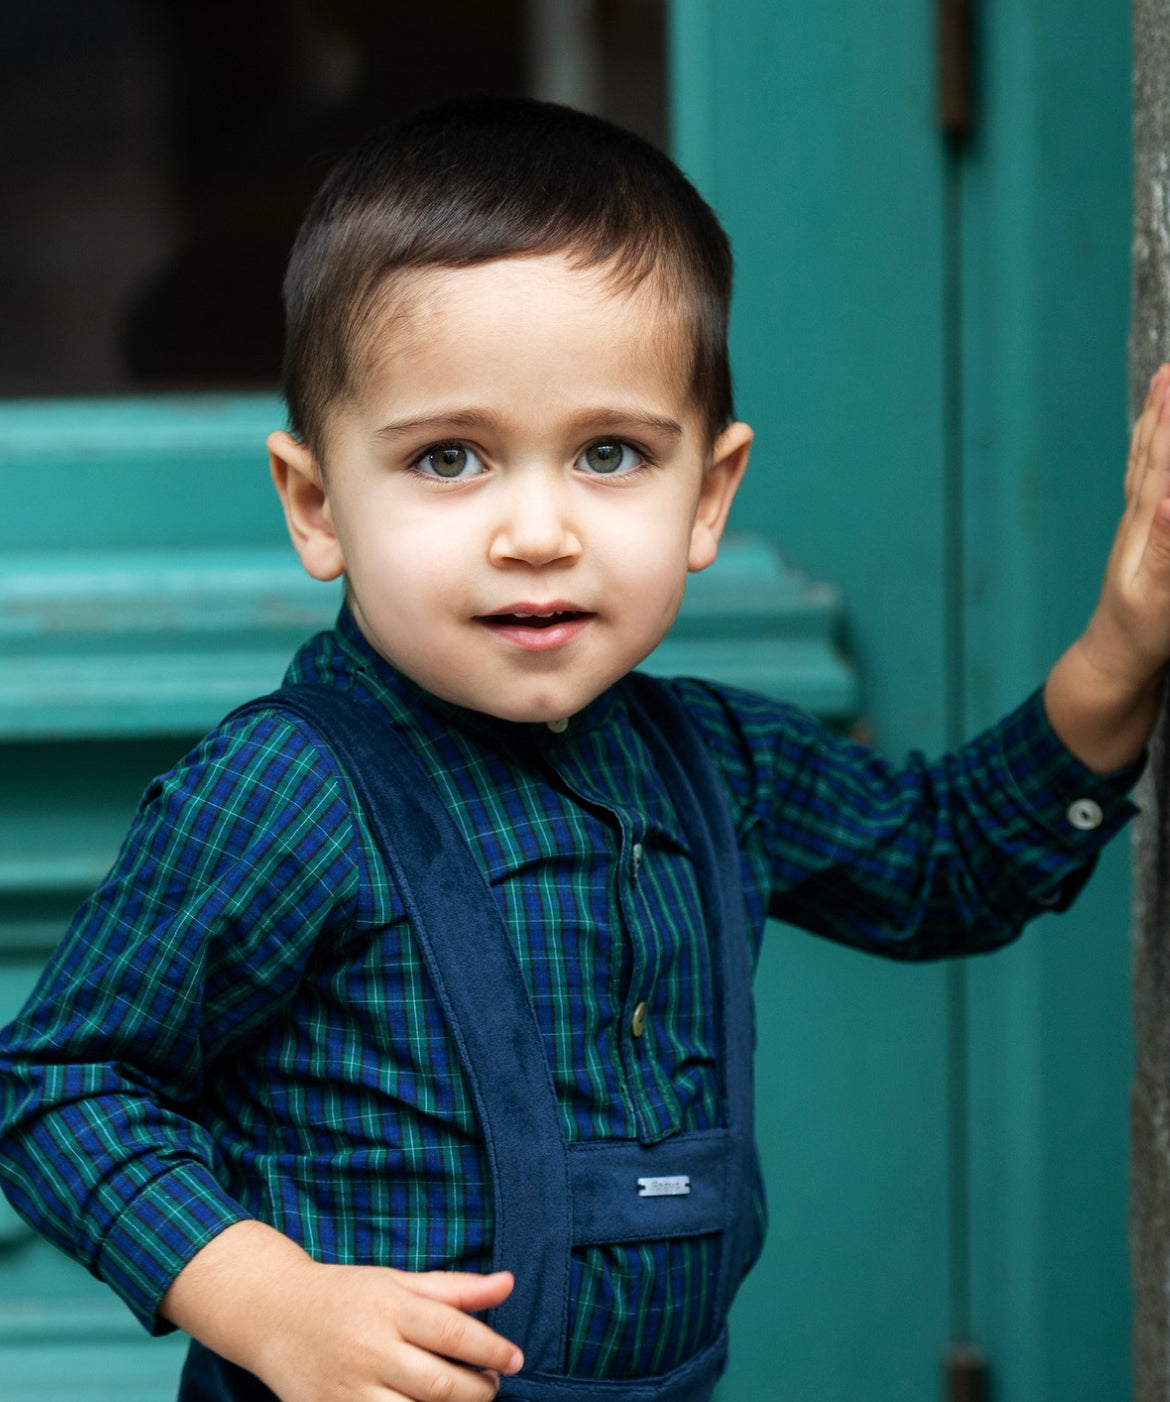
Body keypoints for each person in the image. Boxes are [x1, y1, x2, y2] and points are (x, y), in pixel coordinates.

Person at [1, 97, 1169, 1402]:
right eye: (451, 457)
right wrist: (265, 1296)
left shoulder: (713, 760)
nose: (537, 528)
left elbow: (946, 860)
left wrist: (1124, 642)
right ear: (317, 503)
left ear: (709, 494)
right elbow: (61, 1082)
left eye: (609, 453)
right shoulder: (288, 790)